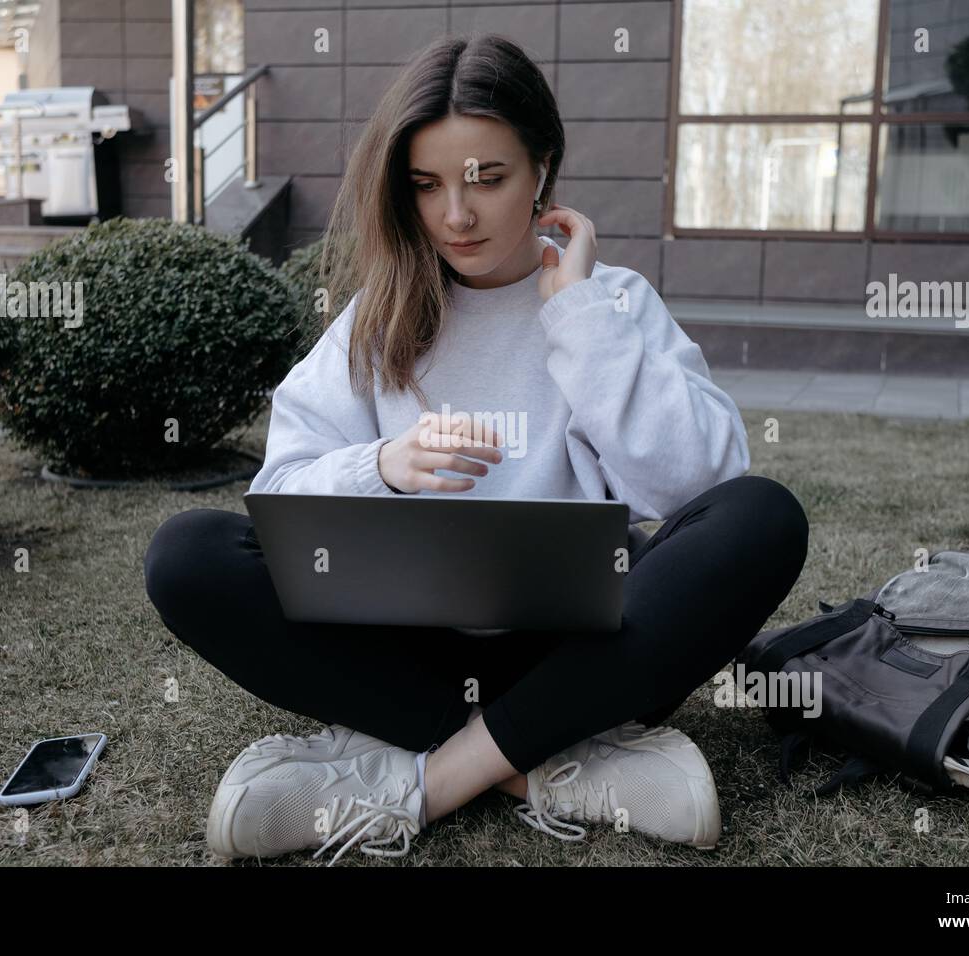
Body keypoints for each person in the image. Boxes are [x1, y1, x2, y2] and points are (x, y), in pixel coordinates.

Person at [143, 32, 808, 866]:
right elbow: (280, 495)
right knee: (186, 554)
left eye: (486, 179)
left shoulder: (611, 304)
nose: (455, 215)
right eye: (426, 186)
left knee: (763, 517)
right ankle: (541, 767)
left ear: (543, 171)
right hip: (405, 652)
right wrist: (382, 467)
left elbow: (704, 483)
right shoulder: (375, 320)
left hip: (579, 652)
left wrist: (576, 319)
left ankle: (423, 783)